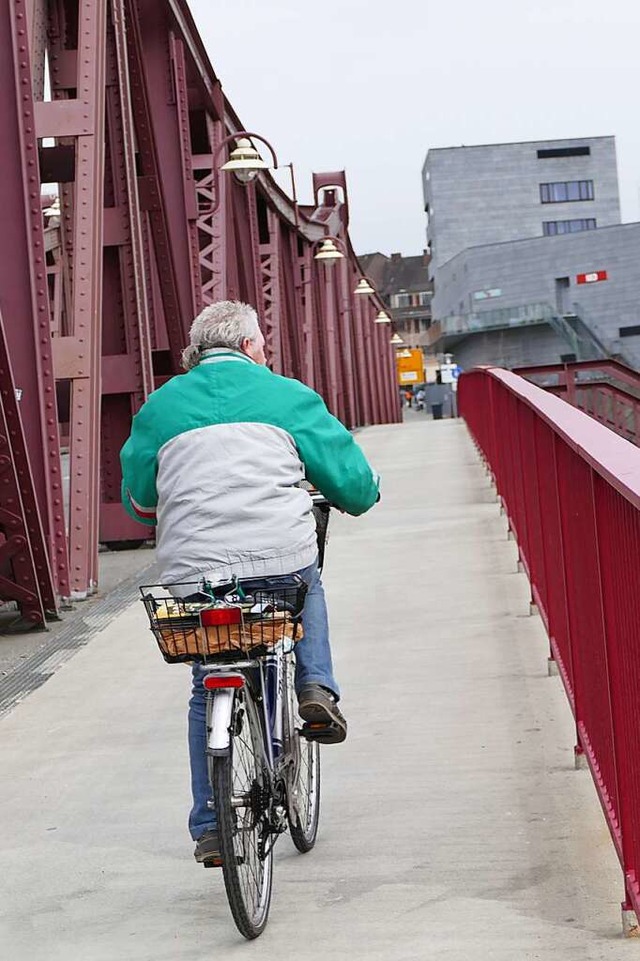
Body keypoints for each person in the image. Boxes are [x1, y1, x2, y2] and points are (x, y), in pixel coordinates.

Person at [120, 300, 380, 866]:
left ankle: (211, 826)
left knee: (207, 676)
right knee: (304, 579)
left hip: (194, 575)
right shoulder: (287, 396)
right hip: (276, 560)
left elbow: (141, 503)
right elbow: (355, 489)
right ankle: (316, 687)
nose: (266, 355)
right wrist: (362, 487)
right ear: (246, 348)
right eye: (262, 346)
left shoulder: (159, 408)